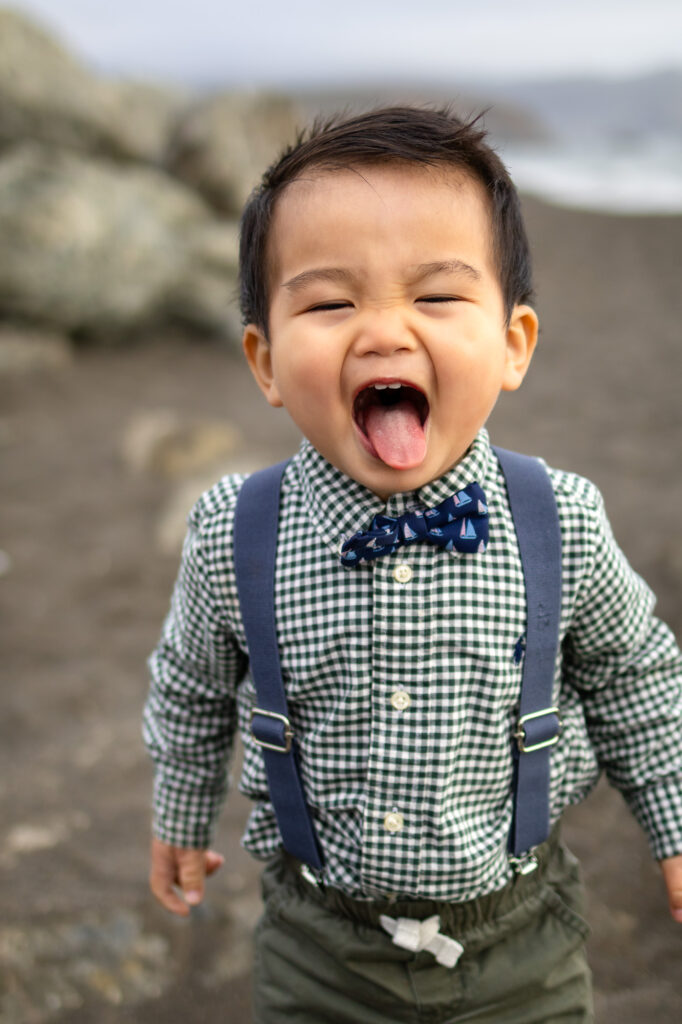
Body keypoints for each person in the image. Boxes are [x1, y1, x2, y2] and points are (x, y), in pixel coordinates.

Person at [144, 106, 682, 1022]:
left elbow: (636, 678)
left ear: (513, 344)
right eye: (330, 302)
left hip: (521, 935)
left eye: (435, 297)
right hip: (317, 937)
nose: (385, 331)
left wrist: (674, 826)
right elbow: (190, 690)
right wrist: (180, 814)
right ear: (266, 361)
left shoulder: (560, 519)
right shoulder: (236, 533)